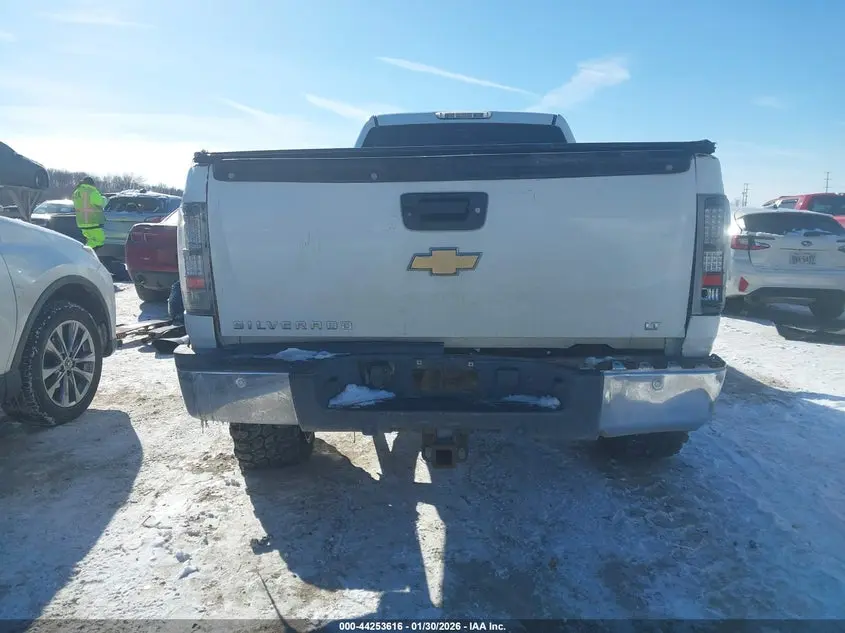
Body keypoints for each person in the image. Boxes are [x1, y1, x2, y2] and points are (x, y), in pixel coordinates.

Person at [71, 176, 106, 250]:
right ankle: (84, 252)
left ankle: (87, 252)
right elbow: (100, 202)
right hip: (92, 220)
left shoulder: (76, 192)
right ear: (92, 183)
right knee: (99, 240)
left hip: (81, 221)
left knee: (91, 239)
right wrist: (104, 199)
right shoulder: (91, 191)